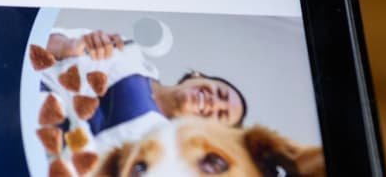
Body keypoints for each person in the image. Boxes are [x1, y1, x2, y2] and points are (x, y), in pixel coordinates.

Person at [43, 28, 248, 151]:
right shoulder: (128, 51)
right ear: (198, 76)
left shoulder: (154, 154)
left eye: (220, 115)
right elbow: (39, 41)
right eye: (220, 94)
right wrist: (66, 46)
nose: (214, 103)